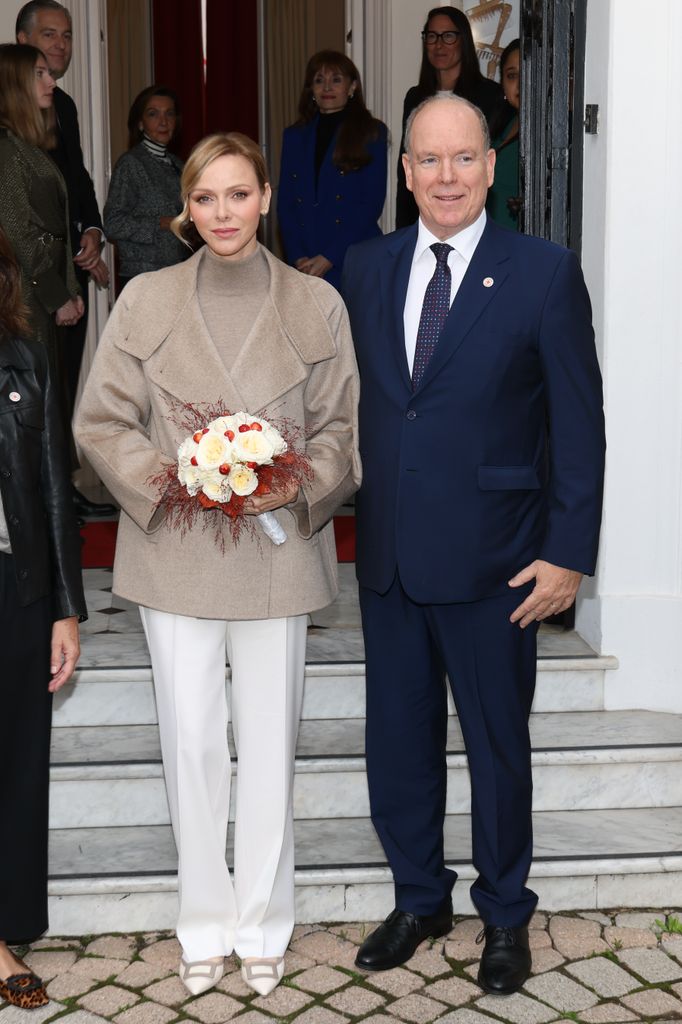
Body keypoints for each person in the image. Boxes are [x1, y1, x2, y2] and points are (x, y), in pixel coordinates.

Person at [76, 132, 361, 998]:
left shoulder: (317, 302)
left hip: (278, 552)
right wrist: (175, 476)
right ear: (185, 209)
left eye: (239, 195)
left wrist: (283, 483)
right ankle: (203, 920)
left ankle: (265, 921)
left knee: (270, 744)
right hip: (176, 549)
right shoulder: (144, 299)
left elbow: (346, 431)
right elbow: (99, 423)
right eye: (206, 199)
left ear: (266, 198)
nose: (223, 214)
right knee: (191, 743)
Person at [342, 94, 605, 993]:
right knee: (397, 746)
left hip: (501, 564)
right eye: (428, 160)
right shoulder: (365, 269)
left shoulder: (543, 272)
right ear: (405, 171)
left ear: (492, 167)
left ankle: (504, 913)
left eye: (463, 159)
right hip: (389, 563)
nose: (445, 176)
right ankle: (419, 897)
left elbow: (579, 425)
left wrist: (569, 552)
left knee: (497, 749)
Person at [0, 226, 86, 1009]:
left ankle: (7, 923)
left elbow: (56, 484)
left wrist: (66, 608)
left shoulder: (24, 356)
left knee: (18, 764)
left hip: (13, 586)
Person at [16, 0, 115, 519]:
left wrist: (92, 233)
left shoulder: (66, 104)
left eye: (68, 36)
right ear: (22, 37)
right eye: (50, 34)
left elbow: (75, 179)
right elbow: (20, 213)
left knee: (63, 381)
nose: (60, 45)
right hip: (28, 280)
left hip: (68, 265)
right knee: (29, 390)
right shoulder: (10, 117)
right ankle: (33, 491)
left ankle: (59, 482)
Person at [0, 44, 83, 363]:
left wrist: (70, 288)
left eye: (49, 72)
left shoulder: (28, 147)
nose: (51, 81)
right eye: (39, 74)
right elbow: (18, 232)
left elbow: (55, 227)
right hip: (25, 297)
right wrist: (57, 295)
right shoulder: (7, 151)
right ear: (13, 84)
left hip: (39, 293)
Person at [278, 49, 387, 290]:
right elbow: (286, 204)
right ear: (311, 90)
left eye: (336, 80)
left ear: (352, 87)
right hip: (304, 263)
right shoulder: (294, 136)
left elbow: (371, 204)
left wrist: (329, 257)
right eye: (319, 80)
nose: (327, 87)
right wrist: (298, 258)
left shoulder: (372, 132)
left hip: (353, 258)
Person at [396, 6, 502, 228]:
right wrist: (404, 230)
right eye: (432, 36)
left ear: (463, 40)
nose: (439, 44)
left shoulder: (490, 95)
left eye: (448, 36)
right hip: (423, 215)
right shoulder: (415, 97)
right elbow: (404, 168)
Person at [104, 85, 188, 291]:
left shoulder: (179, 164)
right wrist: (161, 223)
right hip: (143, 277)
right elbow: (113, 223)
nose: (163, 121)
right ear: (140, 124)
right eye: (153, 114)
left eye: (169, 113)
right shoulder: (131, 163)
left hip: (178, 272)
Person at [487, 39, 521, 230]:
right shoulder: (501, 124)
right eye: (512, 76)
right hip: (490, 238)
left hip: (524, 243)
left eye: (527, 73)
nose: (520, 84)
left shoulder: (555, 134)